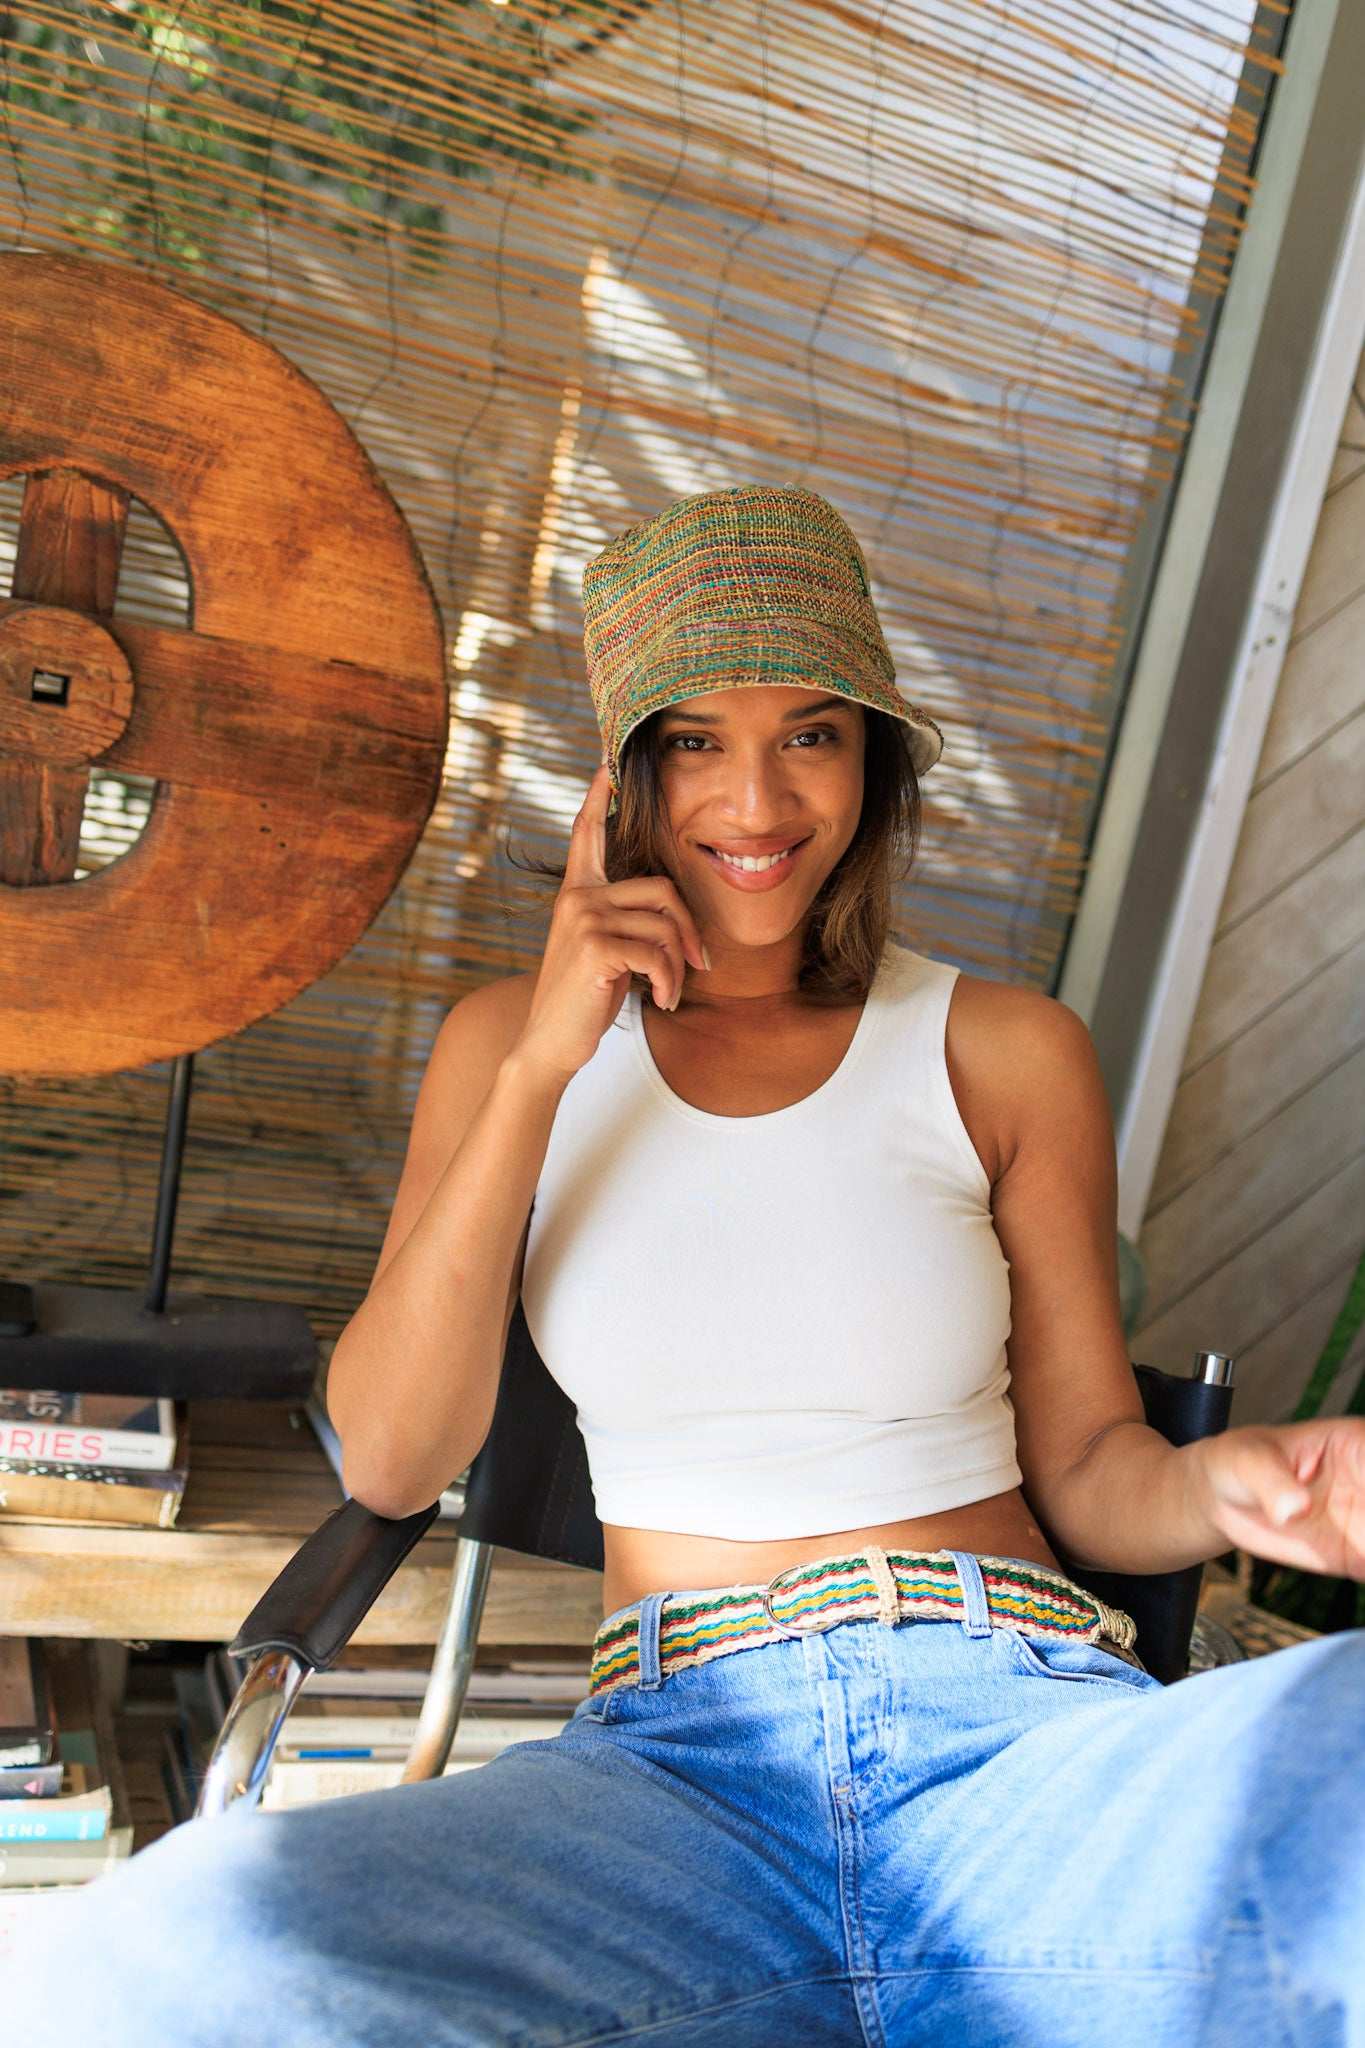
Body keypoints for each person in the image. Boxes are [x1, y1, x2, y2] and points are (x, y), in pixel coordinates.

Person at [8, 484, 1364, 2048]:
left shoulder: (1002, 1050)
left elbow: (1086, 1465)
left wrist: (1228, 1490)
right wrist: (541, 1067)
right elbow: (390, 1453)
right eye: (695, 740)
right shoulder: (504, 1053)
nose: (758, 795)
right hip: (670, 1790)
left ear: (869, 759)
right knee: (146, 1964)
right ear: (624, 778)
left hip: (1016, 1740)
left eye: (810, 732)